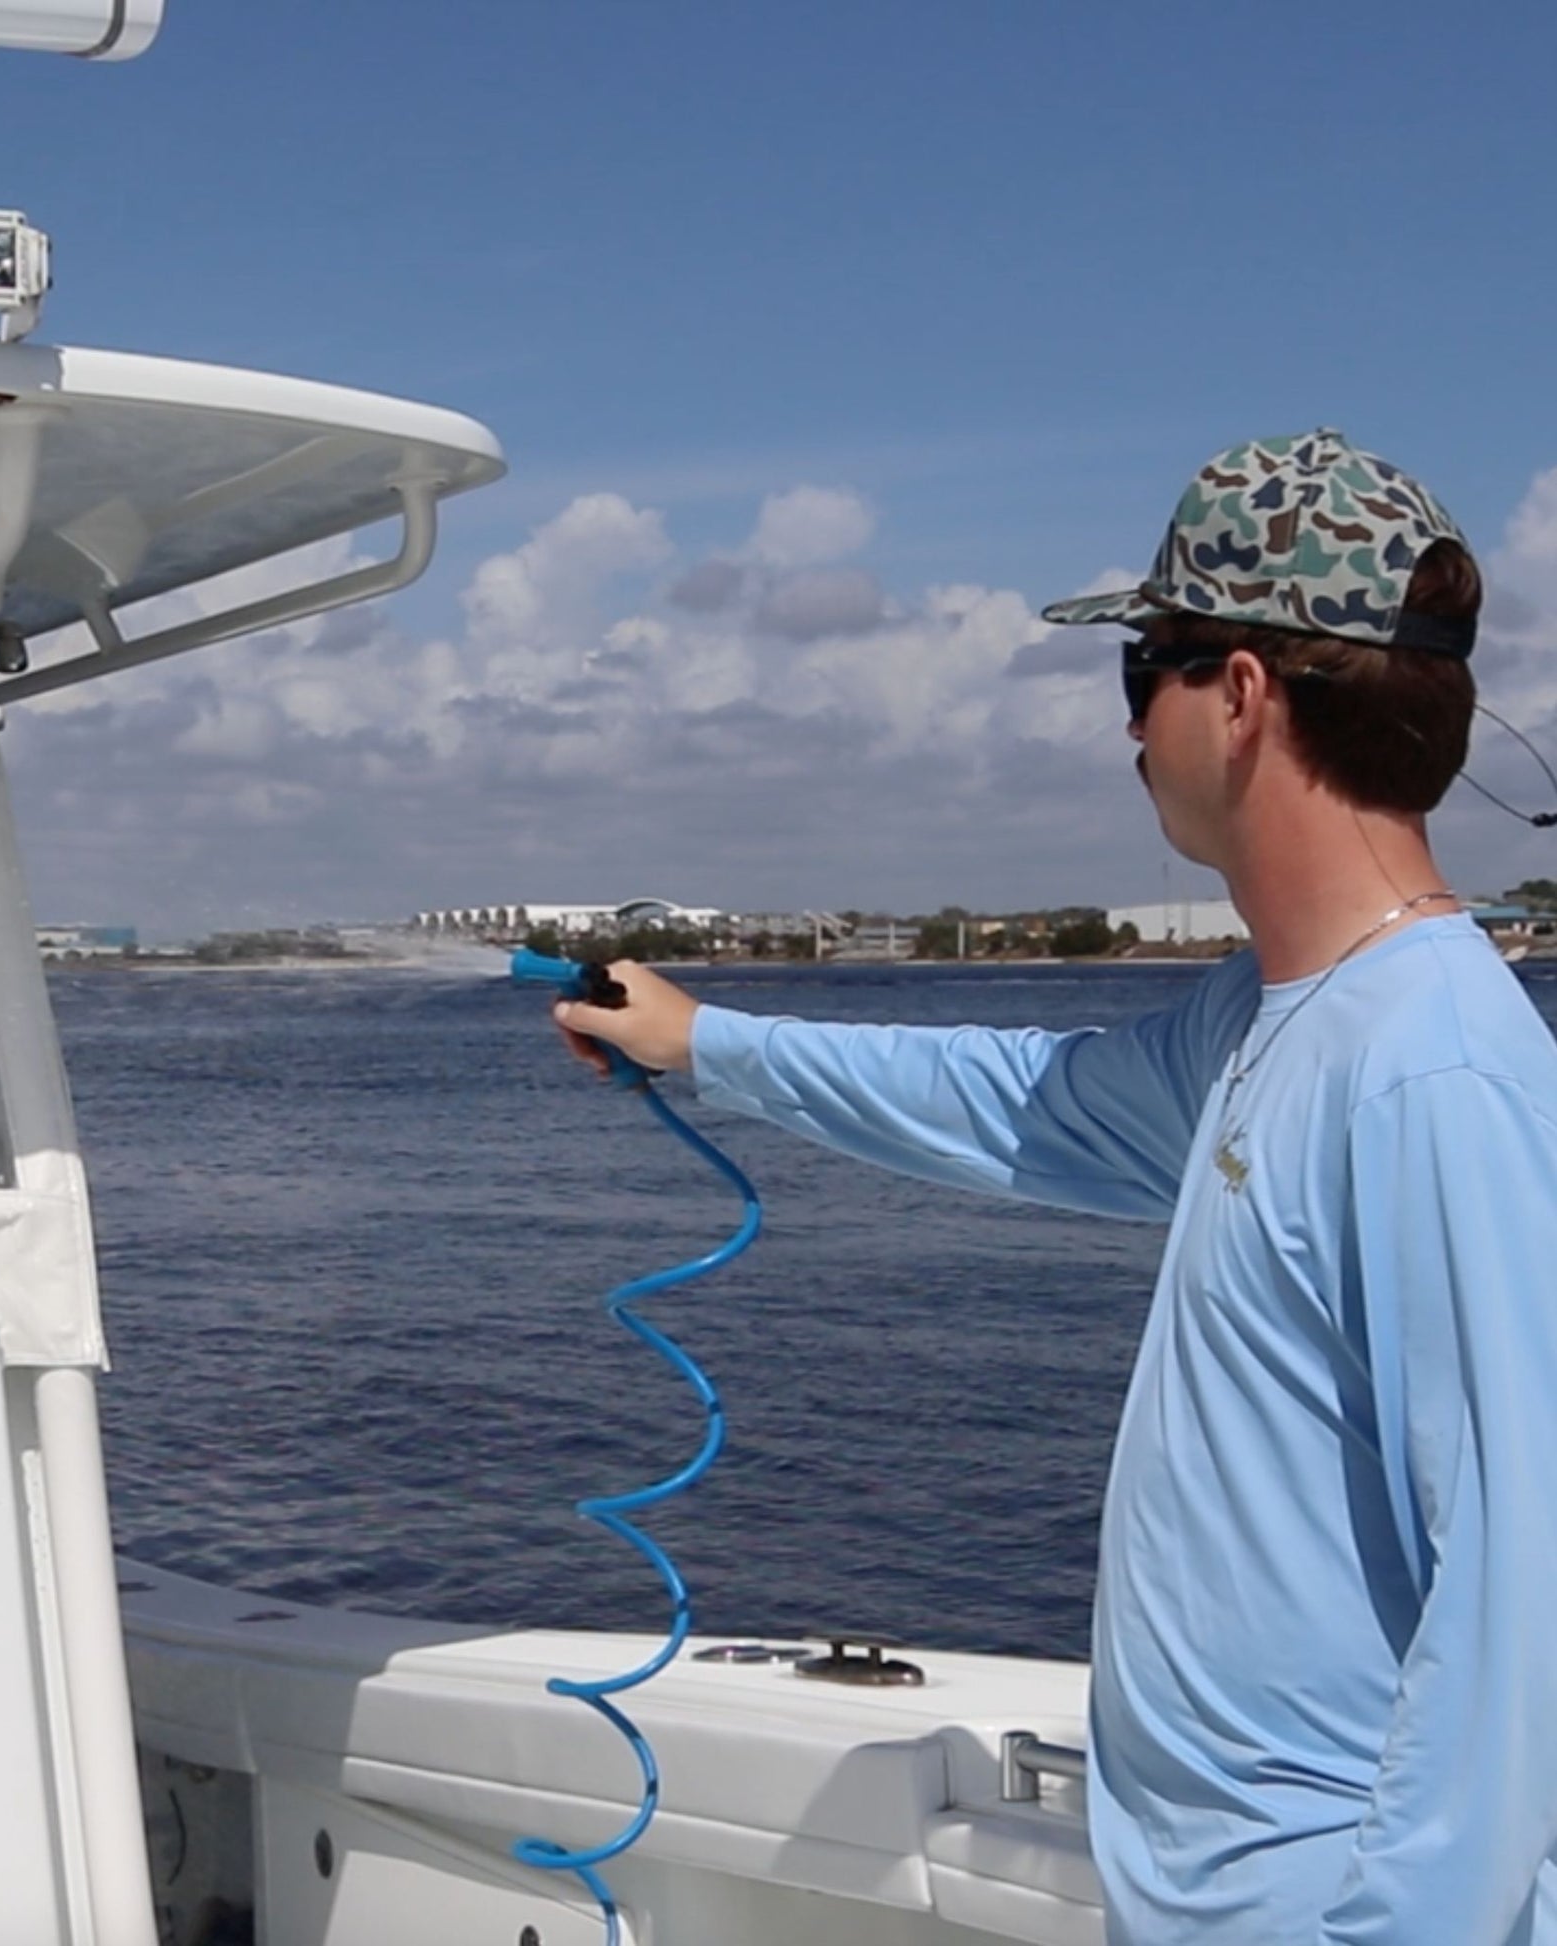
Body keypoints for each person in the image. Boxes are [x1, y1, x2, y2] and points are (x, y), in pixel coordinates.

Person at [551, 428, 1557, 1944]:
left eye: (1140, 668)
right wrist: (703, 1039)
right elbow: (1014, 1095)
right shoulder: (1269, 1020)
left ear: (1236, 694)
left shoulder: (1431, 1074)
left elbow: (1518, 1601)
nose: (1128, 727)